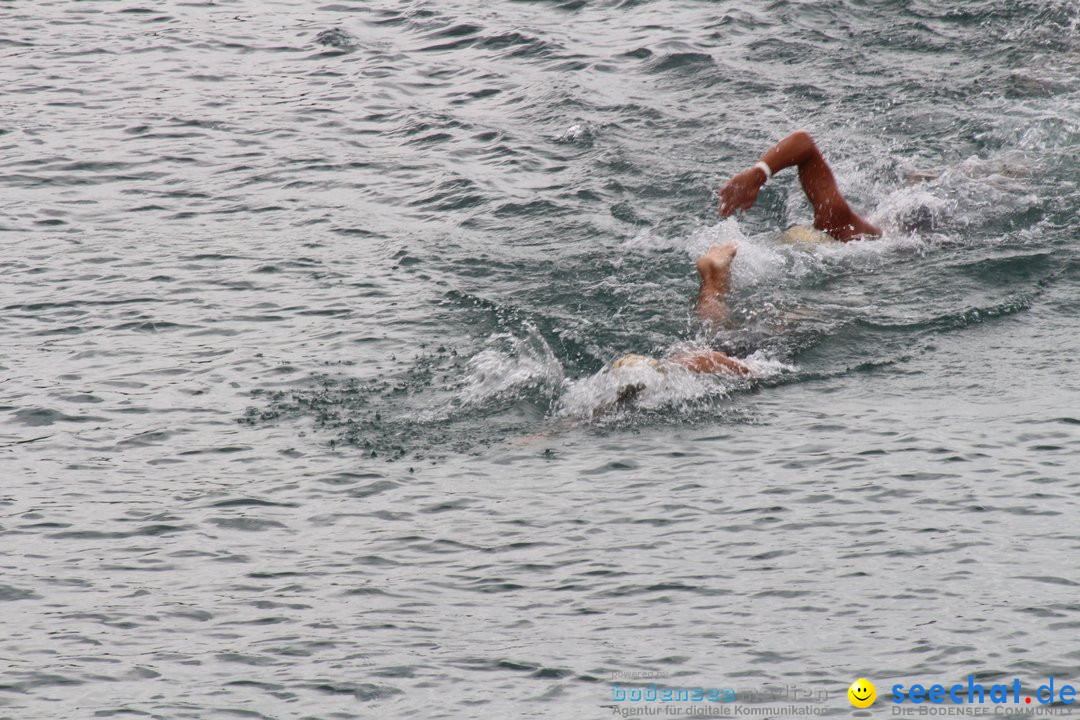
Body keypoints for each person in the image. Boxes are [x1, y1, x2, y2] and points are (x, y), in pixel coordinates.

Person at [717, 130, 881, 242]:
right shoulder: (838, 226)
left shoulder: (843, 229)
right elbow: (803, 142)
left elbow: (804, 143)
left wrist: (758, 175)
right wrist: (757, 176)